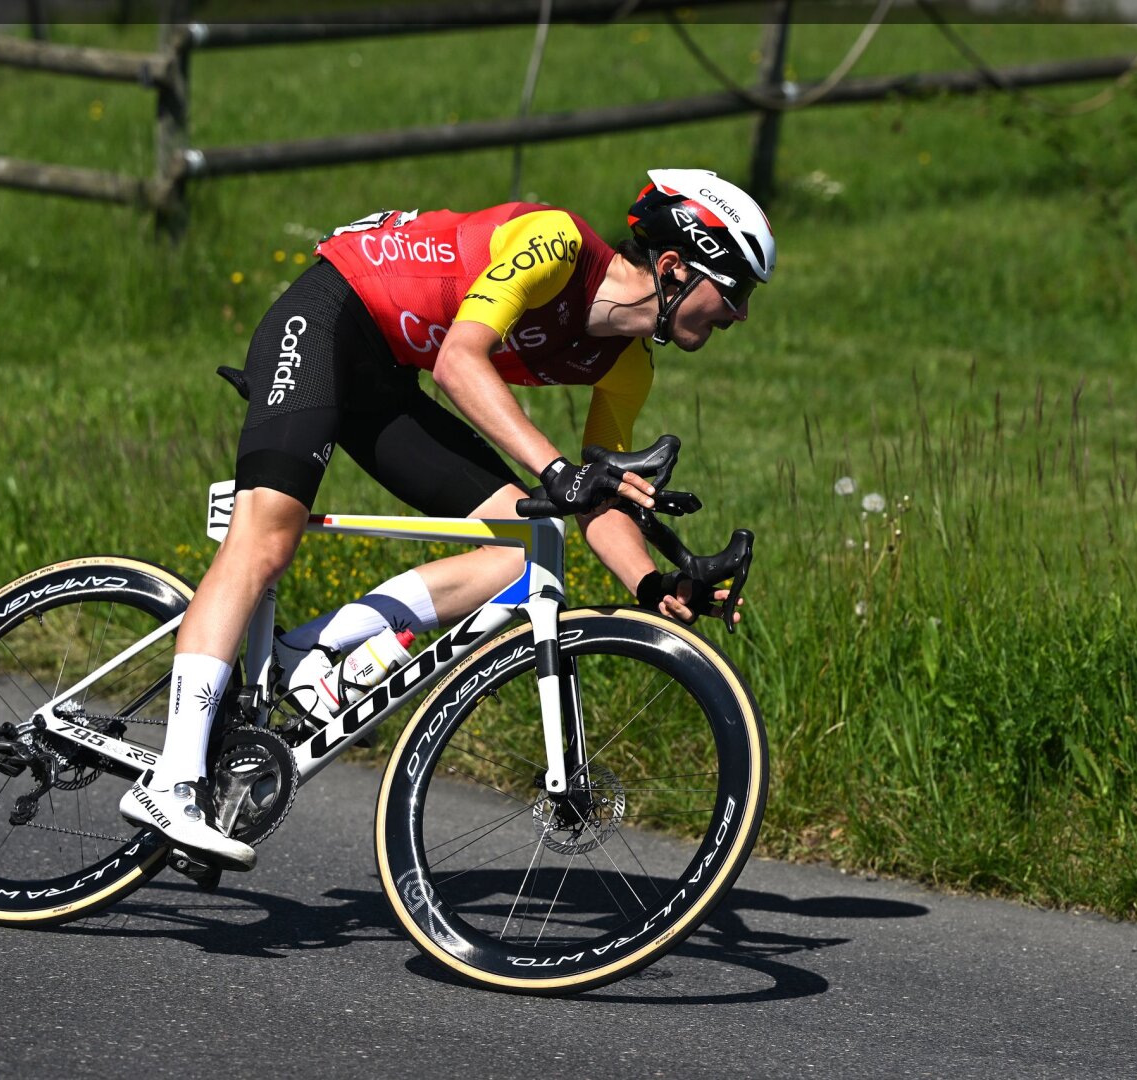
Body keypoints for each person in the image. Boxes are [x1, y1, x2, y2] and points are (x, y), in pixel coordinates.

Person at [118, 168, 777, 869]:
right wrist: (557, 470)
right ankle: (172, 780)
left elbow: (594, 499)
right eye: (734, 290)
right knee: (267, 536)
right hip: (330, 316)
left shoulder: (628, 366)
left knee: (524, 549)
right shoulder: (555, 242)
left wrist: (653, 584)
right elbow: (459, 364)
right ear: (673, 267)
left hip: (385, 378)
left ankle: (304, 656)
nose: (740, 314)